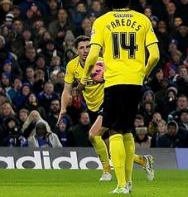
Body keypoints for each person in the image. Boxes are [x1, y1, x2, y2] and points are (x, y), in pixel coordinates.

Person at [78, 0, 160, 194]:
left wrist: (84, 77)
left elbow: (94, 54)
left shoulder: (102, 22)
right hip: (135, 81)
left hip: (114, 81)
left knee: (113, 131)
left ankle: (121, 184)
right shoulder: (142, 20)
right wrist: (143, 73)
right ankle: (129, 182)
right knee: (126, 131)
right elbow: (156, 55)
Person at [60, 35, 155, 182]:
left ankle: (106, 172)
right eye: (82, 48)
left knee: (93, 135)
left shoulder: (103, 62)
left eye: (88, 47)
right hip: (92, 107)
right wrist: (63, 109)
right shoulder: (72, 66)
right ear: (75, 50)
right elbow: (66, 90)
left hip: (110, 103)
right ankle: (143, 161)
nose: (86, 51)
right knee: (110, 147)